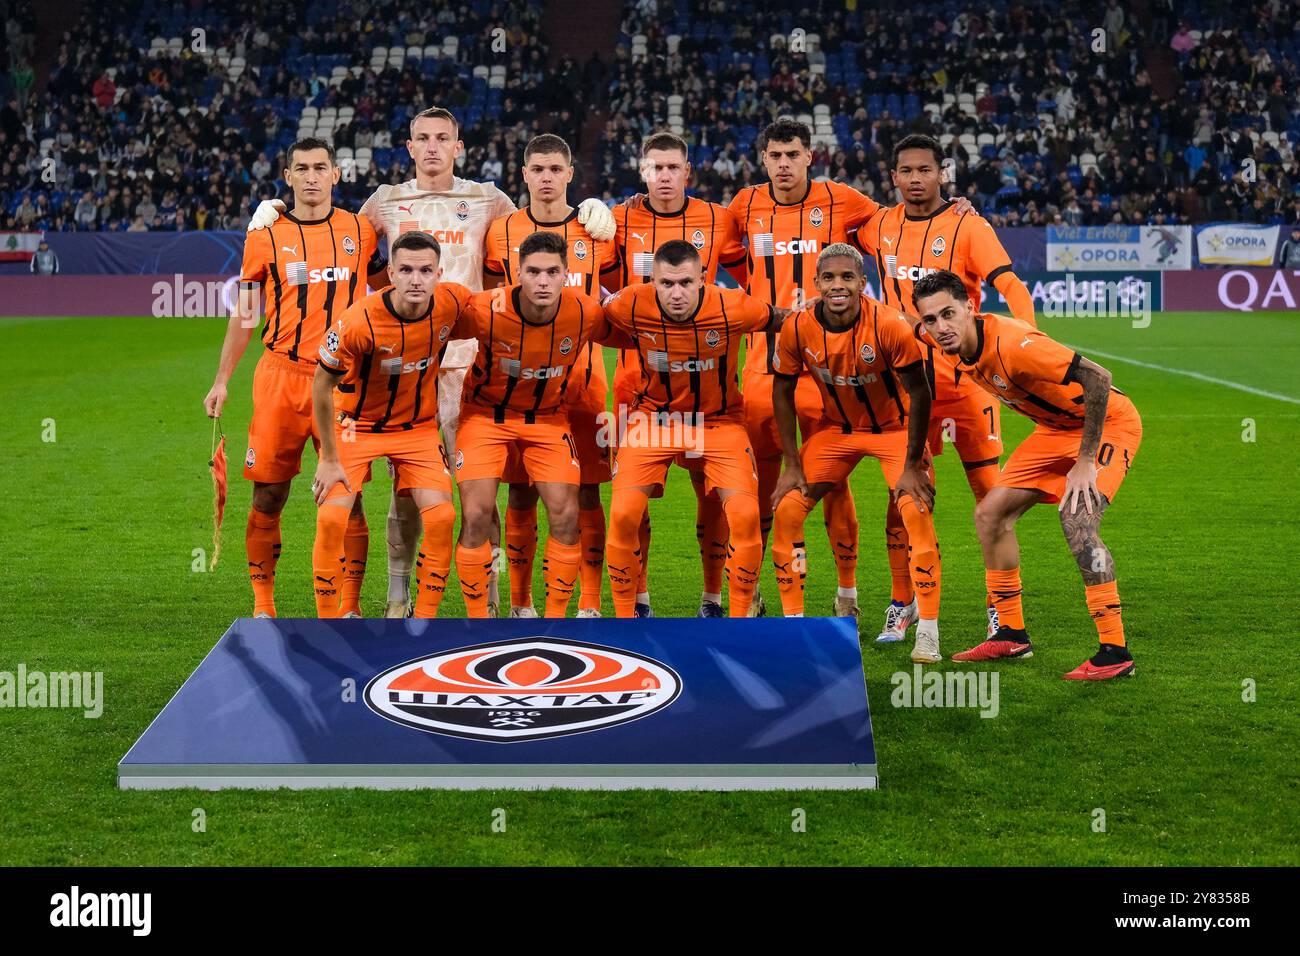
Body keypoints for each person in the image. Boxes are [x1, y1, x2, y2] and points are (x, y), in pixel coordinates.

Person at [248, 106, 617, 617]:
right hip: (407, 365)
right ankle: (399, 595)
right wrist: (275, 210)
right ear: (409, 146)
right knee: (408, 486)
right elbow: (342, 239)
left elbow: (533, 226)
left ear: (458, 146)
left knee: (476, 491)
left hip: (475, 366)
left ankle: (486, 599)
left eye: (443, 138)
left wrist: (590, 206)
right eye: (422, 138)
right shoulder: (386, 201)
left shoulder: (488, 199)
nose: (433, 147)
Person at [849, 133, 1034, 645]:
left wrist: (1025, 344)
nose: (915, 179)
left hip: (965, 384)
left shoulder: (968, 226)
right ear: (893, 178)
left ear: (941, 174)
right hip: (905, 387)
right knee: (902, 497)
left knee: (991, 500)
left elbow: (1012, 286)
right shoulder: (878, 225)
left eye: (924, 170)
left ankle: (1004, 611)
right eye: (905, 170)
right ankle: (902, 601)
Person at [912, 270, 1142, 681]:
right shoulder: (946, 345)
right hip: (1053, 431)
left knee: (1077, 520)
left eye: (948, 314)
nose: (940, 327)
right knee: (990, 516)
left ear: (970, 307)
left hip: (1107, 424)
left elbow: (1098, 378)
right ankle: (1012, 633)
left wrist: (1085, 461)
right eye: (930, 320)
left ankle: (1115, 651)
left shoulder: (1014, 344)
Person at [204, 137, 378, 618]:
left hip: (343, 381)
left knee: (349, 494)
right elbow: (245, 312)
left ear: (336, 174)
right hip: (280, 376)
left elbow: (389, 284)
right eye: (301, 168)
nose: (312, 176)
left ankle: (349, 608)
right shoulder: (264, 236)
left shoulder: (360, 230)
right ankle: (264, 607)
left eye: (321, 167)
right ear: (288, 176)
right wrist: (222, 380)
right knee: (269, 493)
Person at [769, 243, 941, 661]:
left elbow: (921, 394)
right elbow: (782, 391)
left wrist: (915, 462)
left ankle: (924, 627)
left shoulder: (890, 325)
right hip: (837, 432)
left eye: (847, 277)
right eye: (829, 278)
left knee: (912, 511)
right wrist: (791, 463)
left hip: (896, 431)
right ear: (816, 284)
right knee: (788, 510)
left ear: (863, 284)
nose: (838, 285)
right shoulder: (796, 326)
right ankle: (794, 624)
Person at [602, 240, 788, 618]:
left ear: (703, 278)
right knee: (623, 513)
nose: (676, 293)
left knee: (745, 515)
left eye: (686, 282)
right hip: (653, 419)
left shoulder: (733, 305)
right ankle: (627, 618)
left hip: (719, 421)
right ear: (651, 281)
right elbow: (584, 317)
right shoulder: (630, 302)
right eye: (666, 284)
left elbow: (783, 319)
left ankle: (730, 618)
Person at [607, 131, 749, 617]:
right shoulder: (617, 219)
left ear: (688, 171)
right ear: (641, 172)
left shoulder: (718, 218)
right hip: (637, 383)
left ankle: (715, 599)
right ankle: (638, 600)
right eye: (655, 167)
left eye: (673, 167)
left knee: (713, 498)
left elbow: (751, 279)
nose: (664, 175)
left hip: (709, 390)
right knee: (632, 501)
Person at [454, 231, 629, 618]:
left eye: (552, 272)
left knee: (567, 514)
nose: (543, 281)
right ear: (517, 274)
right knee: (478, 512)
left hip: (549, 419)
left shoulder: (584, 311)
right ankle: (479, 620)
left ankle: (554, 621)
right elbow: (433, 329)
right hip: (485, 417)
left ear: (566, 273)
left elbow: (632, 335)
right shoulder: (485, 309)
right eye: (533, 272)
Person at [483, 134, 620, 618]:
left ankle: (588, 603)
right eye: (536, 169)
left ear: (569, 174)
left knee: (587, 490)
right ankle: (522, 603)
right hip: (518, 386)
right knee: (519, 489)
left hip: (584, 384)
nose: (545, 177)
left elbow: (621, 298)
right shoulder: (499, 232)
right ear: (524, 174)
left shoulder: (596, 229)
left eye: (554, 169)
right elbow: (488, 302)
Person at [311, 232, 467, 618]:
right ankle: (331, 624)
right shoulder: (357, 322)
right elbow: (320, 385)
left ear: (439, 274)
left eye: (426, 271)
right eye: (407, 270)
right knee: (332, 517)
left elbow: (502, 314)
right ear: (391, 274)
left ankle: (424, 620)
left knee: (443, 516)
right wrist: (328, 459)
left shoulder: (452, 303)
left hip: (416, 429)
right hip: (356, 427)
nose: (417, 279)